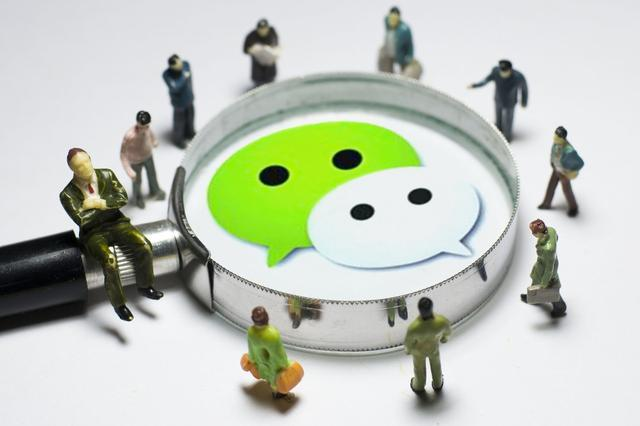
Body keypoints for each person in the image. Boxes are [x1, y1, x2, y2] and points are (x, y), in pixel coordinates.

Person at [59, 148, 163, 321]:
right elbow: (81, 219)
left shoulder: (106, 174)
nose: (85, 168)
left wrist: (98, 204)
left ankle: (145, 286)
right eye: (79, 166)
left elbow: (122, 198)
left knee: (144, 245)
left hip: (118, 223)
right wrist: (107, 208)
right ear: (72, 169)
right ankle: (119, 304)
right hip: (93, 233)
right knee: (109, 262)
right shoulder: (67, 194)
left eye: (86, 162)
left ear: (90, 159)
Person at [240, 306, 303, 399]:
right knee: (275, 379)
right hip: (274, 364)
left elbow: (251, 351)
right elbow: (278, 355)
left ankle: (275, 390)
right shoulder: (272, 335)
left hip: (260, 362)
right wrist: (283, 364)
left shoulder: (251, 332)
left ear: (253, 319)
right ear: (267, 318)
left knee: (267, 375)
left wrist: (253, 360)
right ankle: (278, 393)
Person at [468, 59, 528, 141]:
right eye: (501, 71)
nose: (503, 73)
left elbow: (524, 89)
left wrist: (524, 101)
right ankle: (498, 133)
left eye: (505, 71)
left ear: (510, 70)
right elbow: (486, 80)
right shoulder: (496, 72)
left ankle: (507, 137)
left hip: (510, 103)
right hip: (498, 100)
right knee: (498, 119)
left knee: (508, 121)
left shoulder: (518, 77)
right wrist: (475, 85)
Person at [520, 219, 567, 318]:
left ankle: (560, 307)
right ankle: (533, 297)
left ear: (539, 233)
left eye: (534, 232)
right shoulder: (551, 230)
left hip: (547, 269)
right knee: (535, 280)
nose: (532, 234)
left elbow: (549, 269)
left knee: (550, 289)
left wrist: (544, 284)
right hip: (541, 265)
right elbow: (556, 237)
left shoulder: (548, 249)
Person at [404, 297, 451, 394]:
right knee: (436, 366)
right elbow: (448, 331)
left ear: (419, 310)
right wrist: (444, 338)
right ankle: (438, 383)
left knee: (419, 369)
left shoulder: (414, 327)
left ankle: (419, 385)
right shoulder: (441, 321)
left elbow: (408, 342)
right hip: (433, 348)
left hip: (418, 351)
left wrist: (408, 350)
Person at [120, 110, 166, 208]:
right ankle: (137, 198)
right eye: (143, 126)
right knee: (137, 181)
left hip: (148, 156)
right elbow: (123, 154)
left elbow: (151, 135)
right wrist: (128, 170)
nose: (146, 128)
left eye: (147, 126)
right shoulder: (130, 136)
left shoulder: (147, 129)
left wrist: (154, 141)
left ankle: (155, 191)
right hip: (135, 161)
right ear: (138, 123)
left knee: (152, 174)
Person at [538, 126, 584, 217]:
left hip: (564, 172)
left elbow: (579, 162)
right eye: (555, 134)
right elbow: (553, 154)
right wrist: (552, 163)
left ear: (562, 138)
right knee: (551, 186)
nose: (555, 137)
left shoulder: (568, 149)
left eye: (557, 136)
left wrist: (570, 170)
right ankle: (546, 203)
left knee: (567, 190)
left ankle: (573, 208)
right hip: (556, 169)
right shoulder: (556, 143)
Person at [377, 6, 422, 79]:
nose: (393, 19)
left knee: (414, 67)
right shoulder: (386, 21)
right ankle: (385, 77)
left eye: (395, 16)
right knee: (382, 51)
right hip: (389, 54)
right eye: (391, 16)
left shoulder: (404, 30)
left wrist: (409, 57)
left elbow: (410, 45)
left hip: (402, 56)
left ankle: (404, 79)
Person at [162, 54, 195, 148]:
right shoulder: (167, 75)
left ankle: (190, 133)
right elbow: (174, 87)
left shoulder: (185, 65)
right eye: (178, 66)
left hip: (189, 97)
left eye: (180, 64)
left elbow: (188, 75)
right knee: (179, 122)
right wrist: (184, 77)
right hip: (179, 103)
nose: (181, 67)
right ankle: (178, 139)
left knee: (190, 117)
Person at [243, 19, 280, 86]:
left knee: (271, 79)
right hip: (258, 65)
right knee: (258, 80)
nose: (263, 31)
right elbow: (245, 49)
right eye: (261, 29)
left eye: (265, 29)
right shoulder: (251, 36)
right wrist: (253, 50)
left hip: (270, 64)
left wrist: (272, 50)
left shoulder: (272, 33)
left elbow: (276, 44)